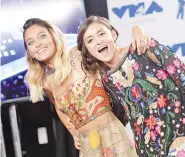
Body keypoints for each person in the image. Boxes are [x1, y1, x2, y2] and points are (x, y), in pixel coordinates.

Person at [77, 15, 185, 157]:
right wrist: (82, 133)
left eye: (101, 33)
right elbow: (115, 118)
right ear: (88, 50)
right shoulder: (107, 81)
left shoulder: (144, 48)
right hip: (151, 148)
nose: (98, 41)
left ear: (112, 34)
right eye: (90, 40)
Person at [23, 18, 149, 156]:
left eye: (42, 36)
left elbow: (115, 52)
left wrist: (138, 29)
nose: (38, 44)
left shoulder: (78, 54)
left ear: (53, 36)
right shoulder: (45, 82)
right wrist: (73, 131)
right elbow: (60, 107)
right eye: (30, 42)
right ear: (29, 52)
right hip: (88, 146)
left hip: (114, 136)